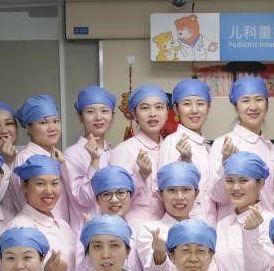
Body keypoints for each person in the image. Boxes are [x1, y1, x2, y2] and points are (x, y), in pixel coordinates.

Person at [3, 155, 76, 271]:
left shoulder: (64, 227)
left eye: (54, 183)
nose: (49, 191)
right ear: (24, 185)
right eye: (40, 183)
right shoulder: (17, 227)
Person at [209, 76, 274, 218]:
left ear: (267, 105)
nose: (253, 107)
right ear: (236, 107)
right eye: (245, 100)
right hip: (232, 226)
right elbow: (216, 195)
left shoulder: (271, 149)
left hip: (266, 224)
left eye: (259, 99)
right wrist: (224, 165)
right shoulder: (223, 144)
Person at [213, 151, 274, 271]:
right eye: (230, 181)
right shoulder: (222, 225)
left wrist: (251, 233)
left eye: (243, 180)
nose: (235, 187)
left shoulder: (270, 223)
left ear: (260, 184)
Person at [136, 161, 203, 271]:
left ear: (196, 193)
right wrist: (159, 254)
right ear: (160, 194)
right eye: (172, 190)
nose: (179, 197)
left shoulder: (203, 231)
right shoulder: (150, 230)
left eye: (186, 190)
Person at [112, 84, 168, 230]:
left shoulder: (170, 148)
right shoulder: (124, 150)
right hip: (135, 227)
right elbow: (115, 198)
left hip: (167, 226)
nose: (152, 114)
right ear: (134, 114)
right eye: (144, 108)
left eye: (159, 107)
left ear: (167, 111)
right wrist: (141, 175)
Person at [75, 165, 145, 271]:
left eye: (121, 193)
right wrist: (90, 240)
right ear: (97, 200)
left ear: (131, 196)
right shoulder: (85, 231)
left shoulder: (139, 230)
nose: (114, 200)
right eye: (106, 194)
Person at [160, 78, 217, 222]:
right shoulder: (173, 142)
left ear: (209, 107)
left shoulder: (208, 147)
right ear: (176, 109)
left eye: (200, 103)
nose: (194, 110)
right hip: (186, 227)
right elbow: (168, 192)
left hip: (210, 225)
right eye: (187, 104)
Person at [61, 86, 116, 229]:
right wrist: (94, 161)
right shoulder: (72, 154)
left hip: (112, 231)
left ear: (112, 117)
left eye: (104, 111)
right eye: (90, 111)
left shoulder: (112, 153)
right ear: (80, 117)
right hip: (85, 232)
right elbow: (83, 199)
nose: (98, 117)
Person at [7, 94, 69, 219]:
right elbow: (25, 204)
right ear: (28, 127)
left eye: (56, 121)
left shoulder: (57, 156)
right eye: (43, 122)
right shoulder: (25, 158)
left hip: (60, 227)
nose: (52, 128)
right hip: (38, 227)